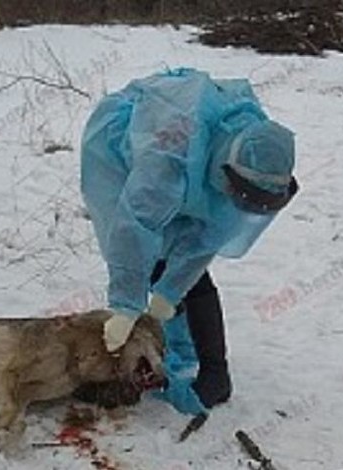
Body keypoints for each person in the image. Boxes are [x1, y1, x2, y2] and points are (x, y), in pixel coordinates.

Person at [78, 67, 298, 415]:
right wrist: (126, 305)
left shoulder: (259, 152)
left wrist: (170, 291)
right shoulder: (169, 156)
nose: (241, 206)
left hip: (197, 166)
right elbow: (136, 227)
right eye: (240, 195)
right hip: (122, 148)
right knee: (152, 253)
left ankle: (207, 366)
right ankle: (154, 335)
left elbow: (208, 234)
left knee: (185, 266)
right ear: (227, 171)